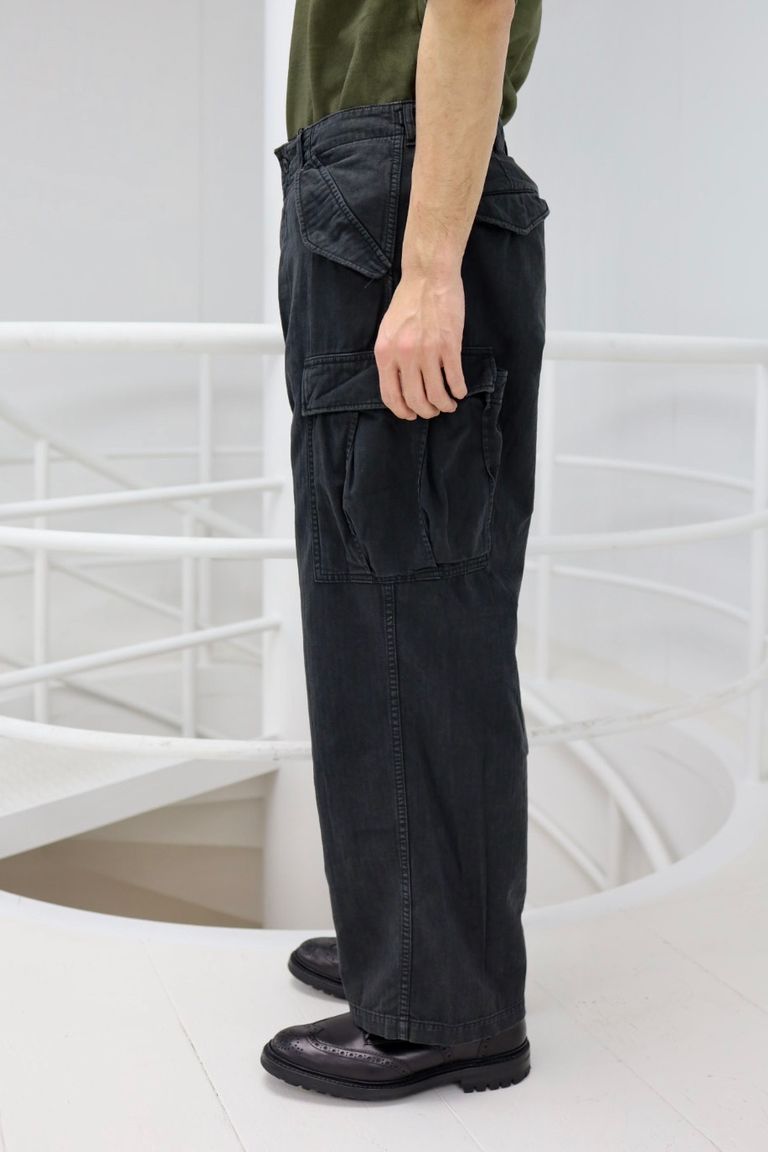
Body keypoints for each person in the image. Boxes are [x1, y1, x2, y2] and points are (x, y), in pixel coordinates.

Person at [261, 0, 548, 1100]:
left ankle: (446, 1003)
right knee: (385, 600)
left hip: (394, 188)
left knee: (405, 599)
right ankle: (418, 936)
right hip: (372, 185)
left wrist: (427, 270)